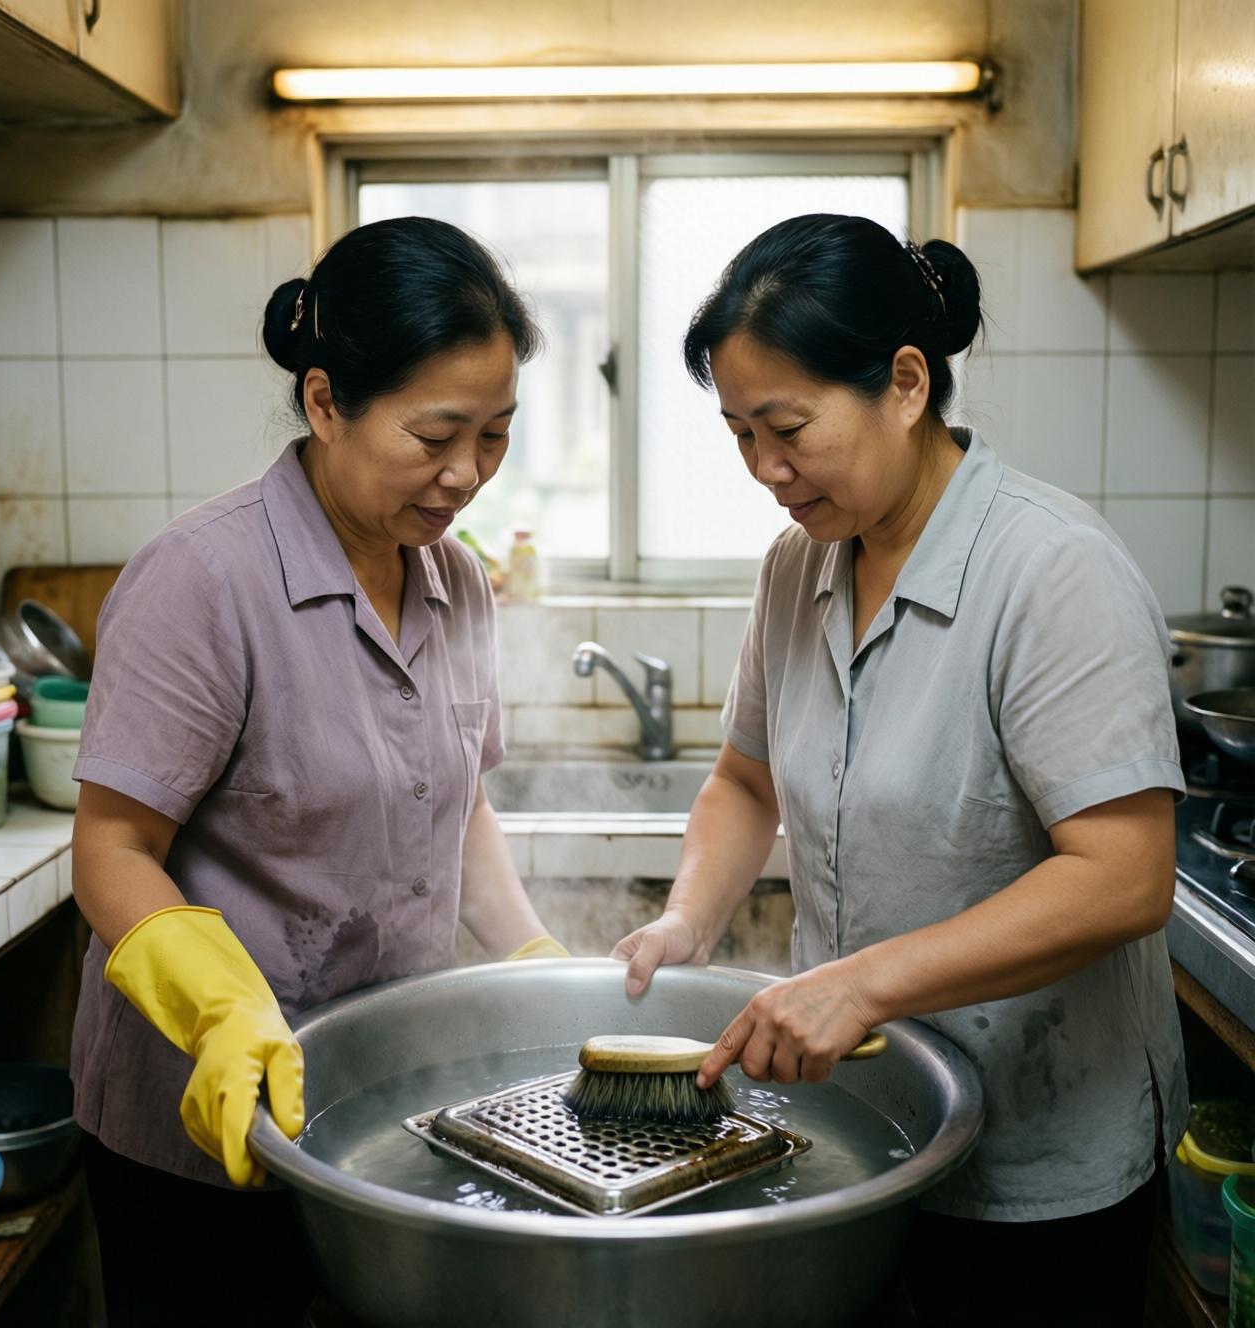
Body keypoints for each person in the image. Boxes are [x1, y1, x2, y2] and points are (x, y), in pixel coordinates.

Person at [612, 214, 1185, 1326]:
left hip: (1038, 1164)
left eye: (788, 428)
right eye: (739, 434)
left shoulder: (1049, 570)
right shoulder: (797, 567)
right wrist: (689, 917)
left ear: (907, 383)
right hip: (864, 1127)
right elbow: (744, 781)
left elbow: (1123, 877)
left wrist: (862, 982)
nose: (765, 470)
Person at [69, 216, 568, 1326]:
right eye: (435, 434)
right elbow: (111, 847)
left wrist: (531, 953)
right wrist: (218, 1007)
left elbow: (458, 806)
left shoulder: (456, 581)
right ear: (327, 401)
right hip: (201, 1133)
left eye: (494, 435)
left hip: (383, 1108)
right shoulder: (203, 579)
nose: (466, 474)